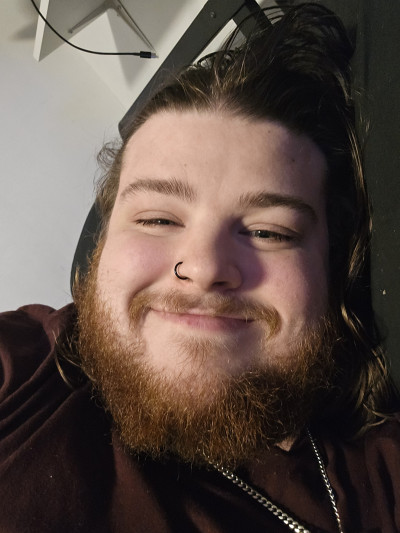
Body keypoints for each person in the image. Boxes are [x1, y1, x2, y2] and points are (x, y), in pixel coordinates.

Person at [1, 4, 399, 532]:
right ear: (102, 245)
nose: (205, 266)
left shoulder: (380, 479)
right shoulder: (21, 371)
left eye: (269, 231)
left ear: (334, 267)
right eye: (158, 219)